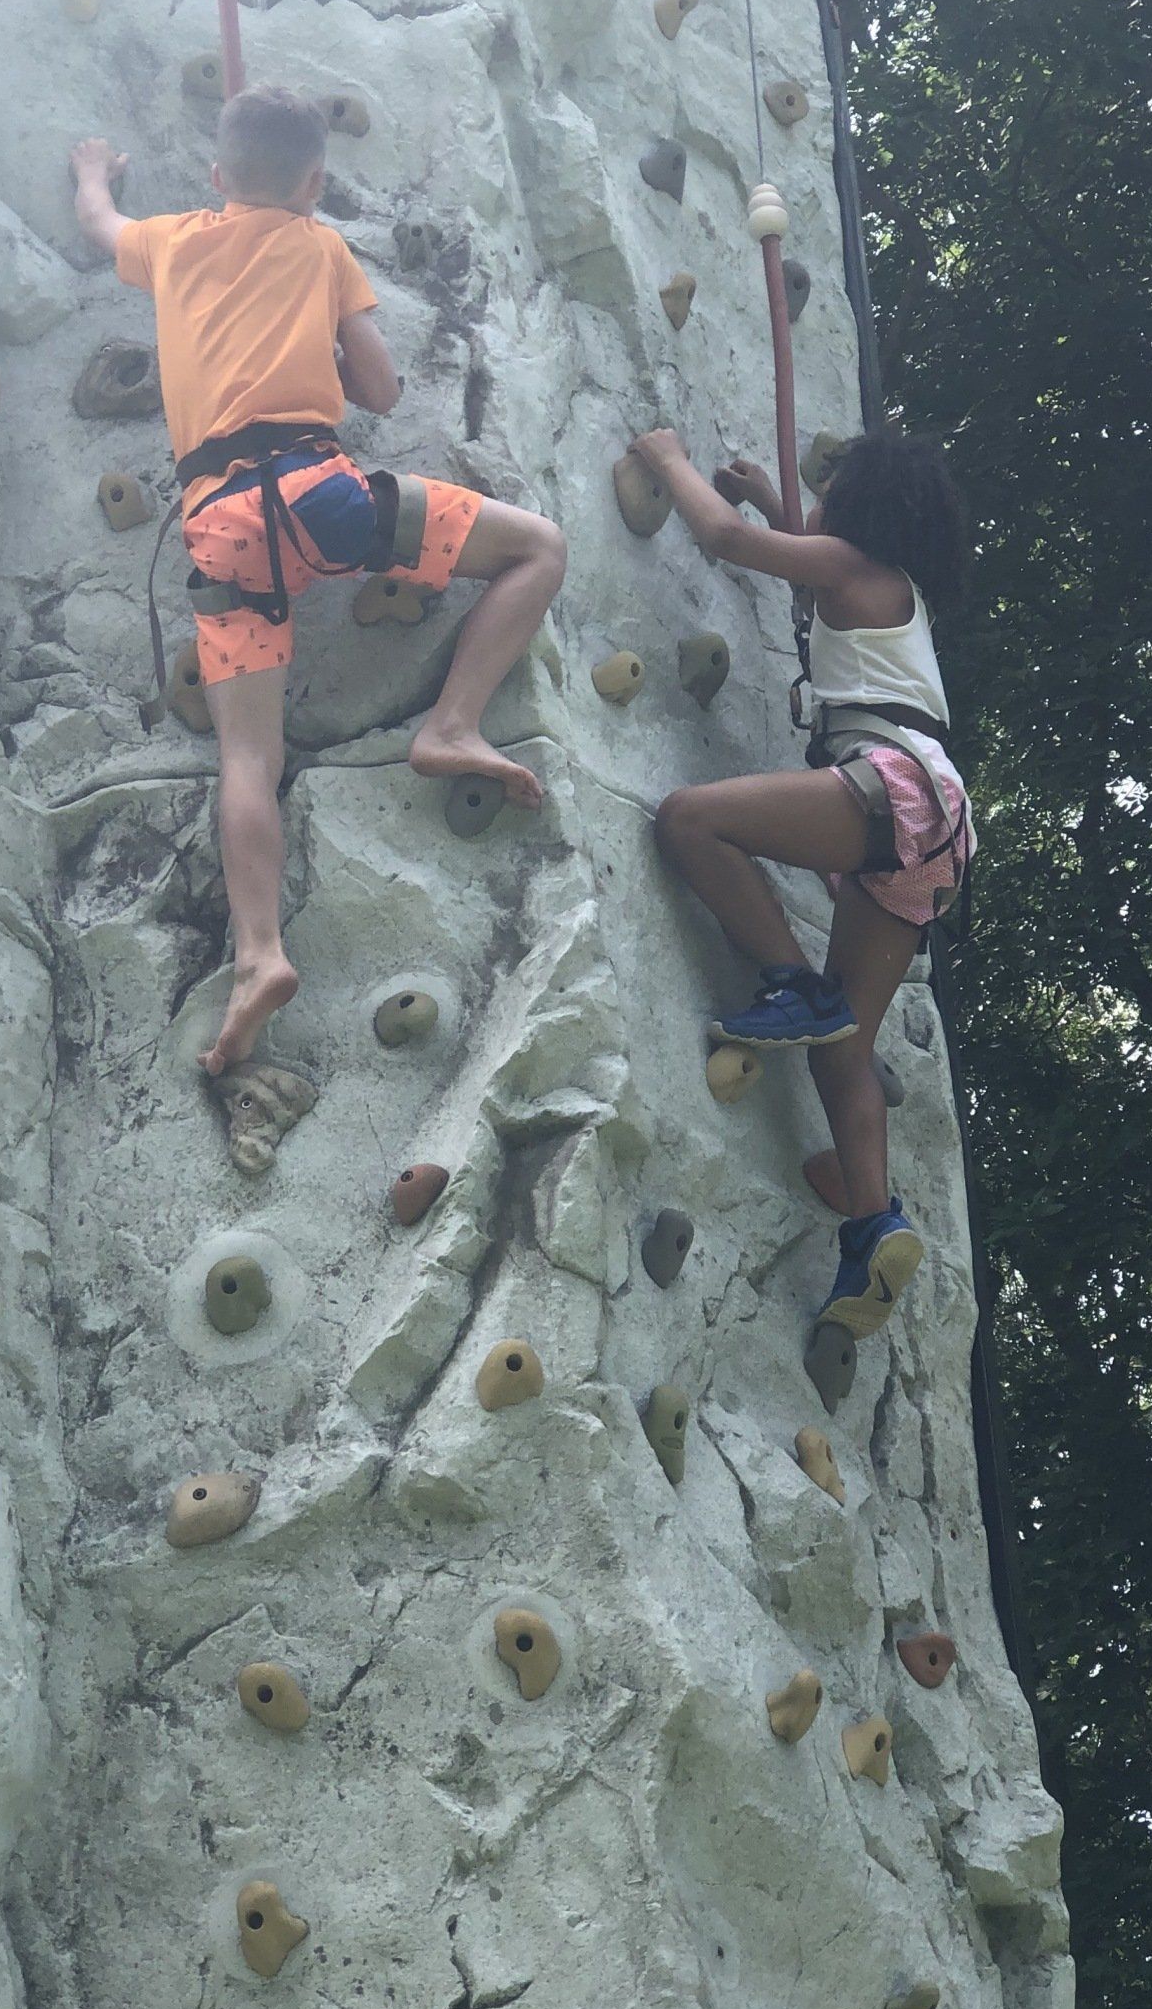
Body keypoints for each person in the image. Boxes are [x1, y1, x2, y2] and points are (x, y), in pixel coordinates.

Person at [70, 88, 566, 1076]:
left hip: (221, 527)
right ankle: (452, 723)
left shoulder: (172, 241)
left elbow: (101, 225)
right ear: (314, 183)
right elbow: (379, 390)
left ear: (218, 176)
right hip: (319, 495)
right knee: (539, 548)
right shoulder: (322, 247)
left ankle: (259, 953)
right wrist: (326, 334)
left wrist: (93, 172)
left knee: (248, 760)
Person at [629, 426, 973, 1340]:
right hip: (935, 834)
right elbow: (801, 558)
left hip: (892, 788)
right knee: (844, 1050)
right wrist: (773, 499)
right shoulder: (887, 589)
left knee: (690, 820)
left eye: (825, 497)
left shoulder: (851, 567)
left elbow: (730, 543)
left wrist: (669, 459)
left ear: (855, 509)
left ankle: (792, 981)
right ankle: (874, 1224)